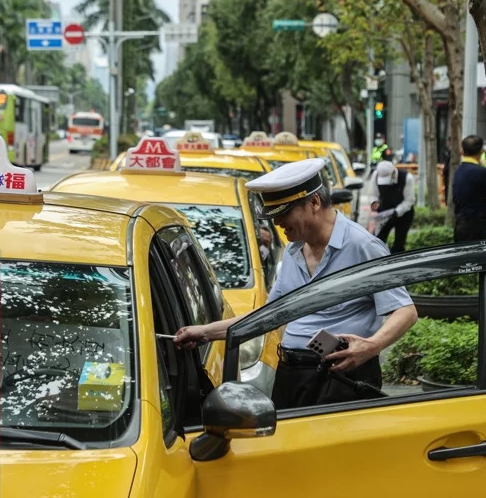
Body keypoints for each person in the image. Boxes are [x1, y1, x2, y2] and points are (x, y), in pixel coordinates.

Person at [174, 158, 418, 410]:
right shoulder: (293, 252)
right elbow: (267, 318)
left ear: (313, 202)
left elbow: (406, 311)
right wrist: (204, 332)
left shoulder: (362, 246)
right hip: (292, 374)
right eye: (274, 215)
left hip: (341, 378)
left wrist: (371, 346)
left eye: (284, 213)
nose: (277, 222)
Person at [452, 135, 486, 242]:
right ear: (481, 150)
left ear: (462, 151)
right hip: (477, 226)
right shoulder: (482, 172)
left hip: (459, 224)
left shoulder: (457, 171)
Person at [371, 160, 415, 252]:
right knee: (378, 241)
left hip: (404, 213)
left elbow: (409, 200)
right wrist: (374, 202)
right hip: (384, 213)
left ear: (393, 172)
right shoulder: (375, 175)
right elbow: (373, 194)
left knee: (399, 244)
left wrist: (397, 211)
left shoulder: (407, 178)